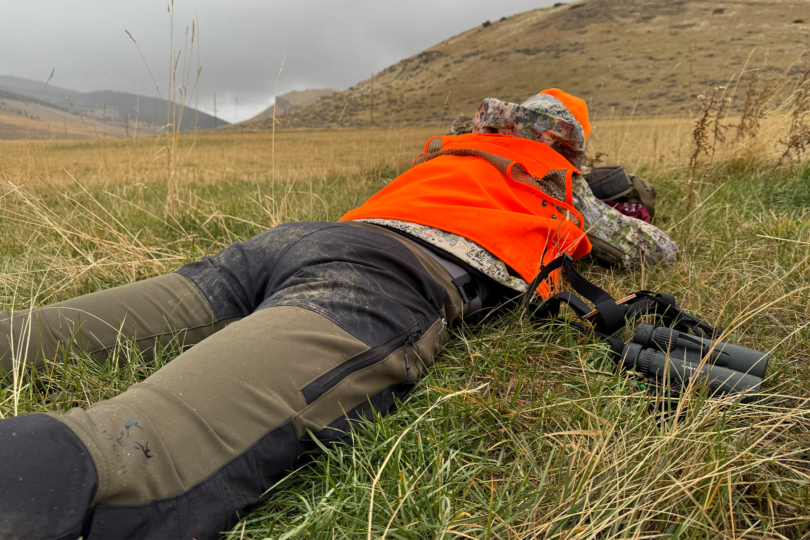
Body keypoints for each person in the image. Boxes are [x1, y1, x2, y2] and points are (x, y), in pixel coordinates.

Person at [0, 89, 677, 540]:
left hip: (290, 244)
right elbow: (652, 249)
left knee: (38, 335)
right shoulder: (557, 174)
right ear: (567, 142)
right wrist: (614, 200)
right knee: (134, 454)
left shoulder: (456, 149)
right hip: (377, 279)